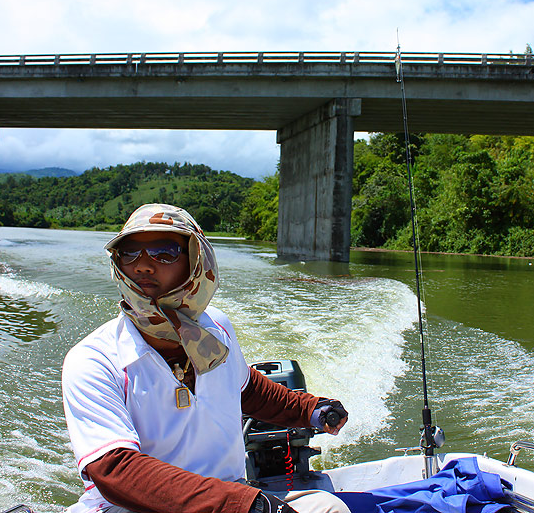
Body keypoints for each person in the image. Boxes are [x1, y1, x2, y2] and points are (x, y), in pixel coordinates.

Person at [62, 204, 350, 513]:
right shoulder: (94, 360)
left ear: (197, 259)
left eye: (164, 252)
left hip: (229, 496)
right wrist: (242, 505)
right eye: (129, 253)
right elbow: (115, 469)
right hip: (134, 508)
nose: (142, 265)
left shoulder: (217, 328)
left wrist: (308, 408)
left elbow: (246, 389)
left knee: (329, 508)